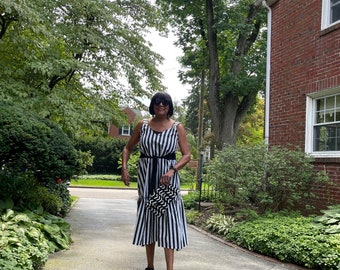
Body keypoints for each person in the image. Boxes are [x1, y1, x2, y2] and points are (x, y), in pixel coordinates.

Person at [121, 92, 191, 270]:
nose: (161, 105)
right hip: (146, 179)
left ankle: (169, 268)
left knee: (169, 220)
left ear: (169, 106)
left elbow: (187, 155)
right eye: (157, 102)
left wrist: (172, 170)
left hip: (168, 181)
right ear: (152, 105)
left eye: (165, 102)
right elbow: (128, 148)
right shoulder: (142, 125)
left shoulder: (177, 127)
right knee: (148, 219)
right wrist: (124, 168)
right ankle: (150, 266)